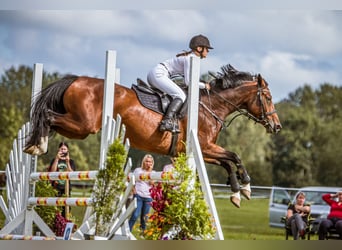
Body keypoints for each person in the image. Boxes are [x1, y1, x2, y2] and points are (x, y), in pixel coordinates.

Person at [147, 34, 213, 133]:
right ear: (199, 48)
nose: (208, 51)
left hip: (157, 74)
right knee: (180, 95)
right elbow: (188, 82)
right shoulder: (190, 58)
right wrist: (204, 86)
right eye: (207, 49)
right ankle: (166, 121)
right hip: (159, 74)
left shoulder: (191, 58)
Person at [47, 142, 76, 217]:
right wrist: (57, 159)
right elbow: (52, 172)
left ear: (67, 150)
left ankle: (65, 223)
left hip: (66, 188)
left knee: (66, 209)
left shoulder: (71, 161)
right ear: (58, 149)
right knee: (55, 209)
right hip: (56, 188)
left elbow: (71, 173)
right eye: (61, 149)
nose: (63, 151)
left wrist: (67, 161)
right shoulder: (54, 160)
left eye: (65, 149)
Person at [128, 154, 155, 234]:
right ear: (144, 161)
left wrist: (149, 172)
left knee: (145, 217)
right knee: (135, 215)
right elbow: (132, 180)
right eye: (146, 161)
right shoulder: (138, 170)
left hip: (148, 197)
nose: (148, 163)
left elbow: (151, 183)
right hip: (138, 196)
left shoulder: (153, 172)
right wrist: (133, 190)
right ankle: (128, 231)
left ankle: (143, 232)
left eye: (150, 162)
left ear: (152, 163)